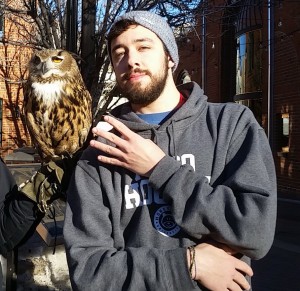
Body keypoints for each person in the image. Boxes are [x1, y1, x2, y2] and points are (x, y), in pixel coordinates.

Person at [63, 10, 277, 291]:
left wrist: (160, 169)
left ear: (171, 58)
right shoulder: (100, 151)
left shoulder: (231, 125)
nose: (131, 60)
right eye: (119, 53)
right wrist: (188, 264)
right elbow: (89, 271)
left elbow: (255, 231)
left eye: (143, 47)